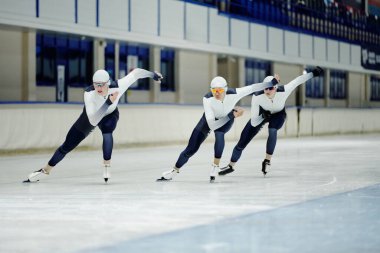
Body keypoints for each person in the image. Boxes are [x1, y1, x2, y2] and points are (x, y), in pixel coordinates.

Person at [23, 68, 163, 183]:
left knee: (107, 131)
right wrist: (108, 102)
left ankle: (106, 164)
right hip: (91, 117)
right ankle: (46, 169)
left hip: (110, 115)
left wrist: (153, 75)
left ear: (108, 83)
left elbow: (137, 72)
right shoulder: (89, 94)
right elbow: (93, 120)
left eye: (102, 84)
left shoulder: (118, 86)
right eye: (96, 84)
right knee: (67, 146)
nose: (99, 88)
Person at [157, 76, 276, 183]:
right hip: (211, 121)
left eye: (220, 90)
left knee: (219, 134)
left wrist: (272, 82)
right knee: (191, 148)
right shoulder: (207, 99)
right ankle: (174, 170)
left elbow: (252, 87)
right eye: (214, 90)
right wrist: (232, 115)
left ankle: (215, 165)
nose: (217, 93)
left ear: (225, 89)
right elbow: (213, 125)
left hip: (226, 120)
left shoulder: (235, 93)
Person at [219, 66, 324, 177]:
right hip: (261, 115)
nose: (268, 91)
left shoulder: (284, 90)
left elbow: (298, 81)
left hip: (278, 115)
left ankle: (267, 161)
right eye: (266, 89)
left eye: (271, 88)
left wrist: (313, 74)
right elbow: (254, 122)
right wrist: (263, 116)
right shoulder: (257, 96)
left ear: (276, 87)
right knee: (243, 139)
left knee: (272, 130)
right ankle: (231, 165)